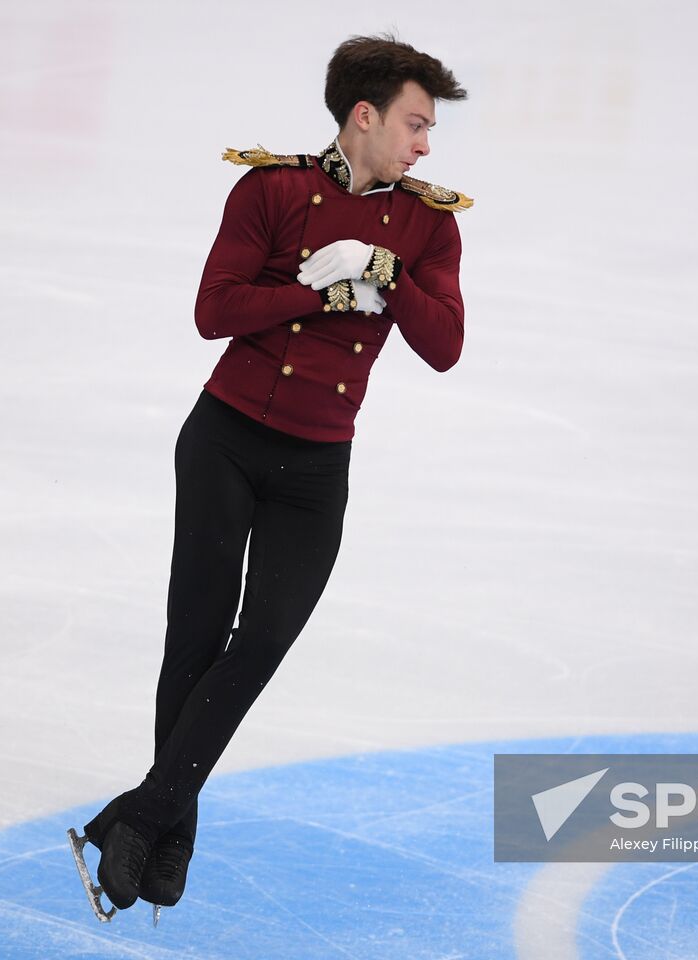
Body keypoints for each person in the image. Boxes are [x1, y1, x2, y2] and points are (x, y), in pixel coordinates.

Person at [67, 33, 471, 924]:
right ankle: (166, 835)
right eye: (414, 123)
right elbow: (215, 311)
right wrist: (313, 292)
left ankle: (141, 816)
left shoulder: (427, 224)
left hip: (317, 466)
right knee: (196, 638)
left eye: (429, 129)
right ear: (362, 117)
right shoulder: (272, 190)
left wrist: (386, 273)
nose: (425, 145)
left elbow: (444, 347)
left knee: (264, 640)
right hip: (224, 442)